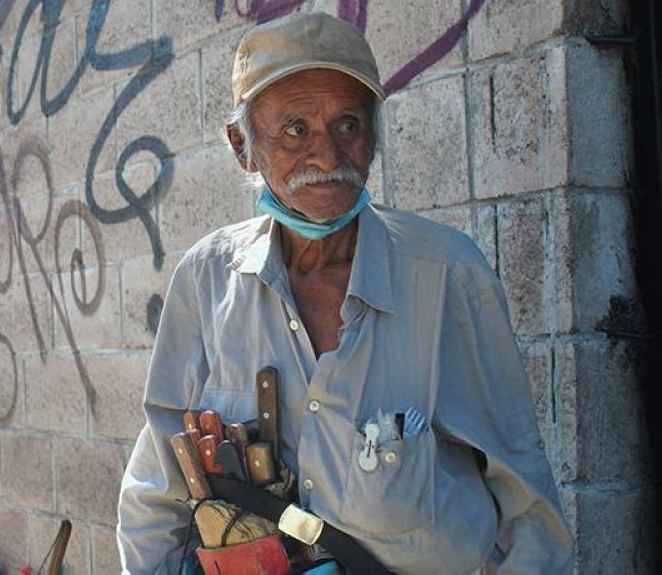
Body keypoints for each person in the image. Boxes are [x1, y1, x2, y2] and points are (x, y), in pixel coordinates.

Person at [116, 11, 574, 575]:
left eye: (348, 125)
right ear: (243, 145)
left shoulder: (445, 274)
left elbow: (526, 505)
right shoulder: (207, 279)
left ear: (374, 137)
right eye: (295, 129)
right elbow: (157, 487)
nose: (328, 157)